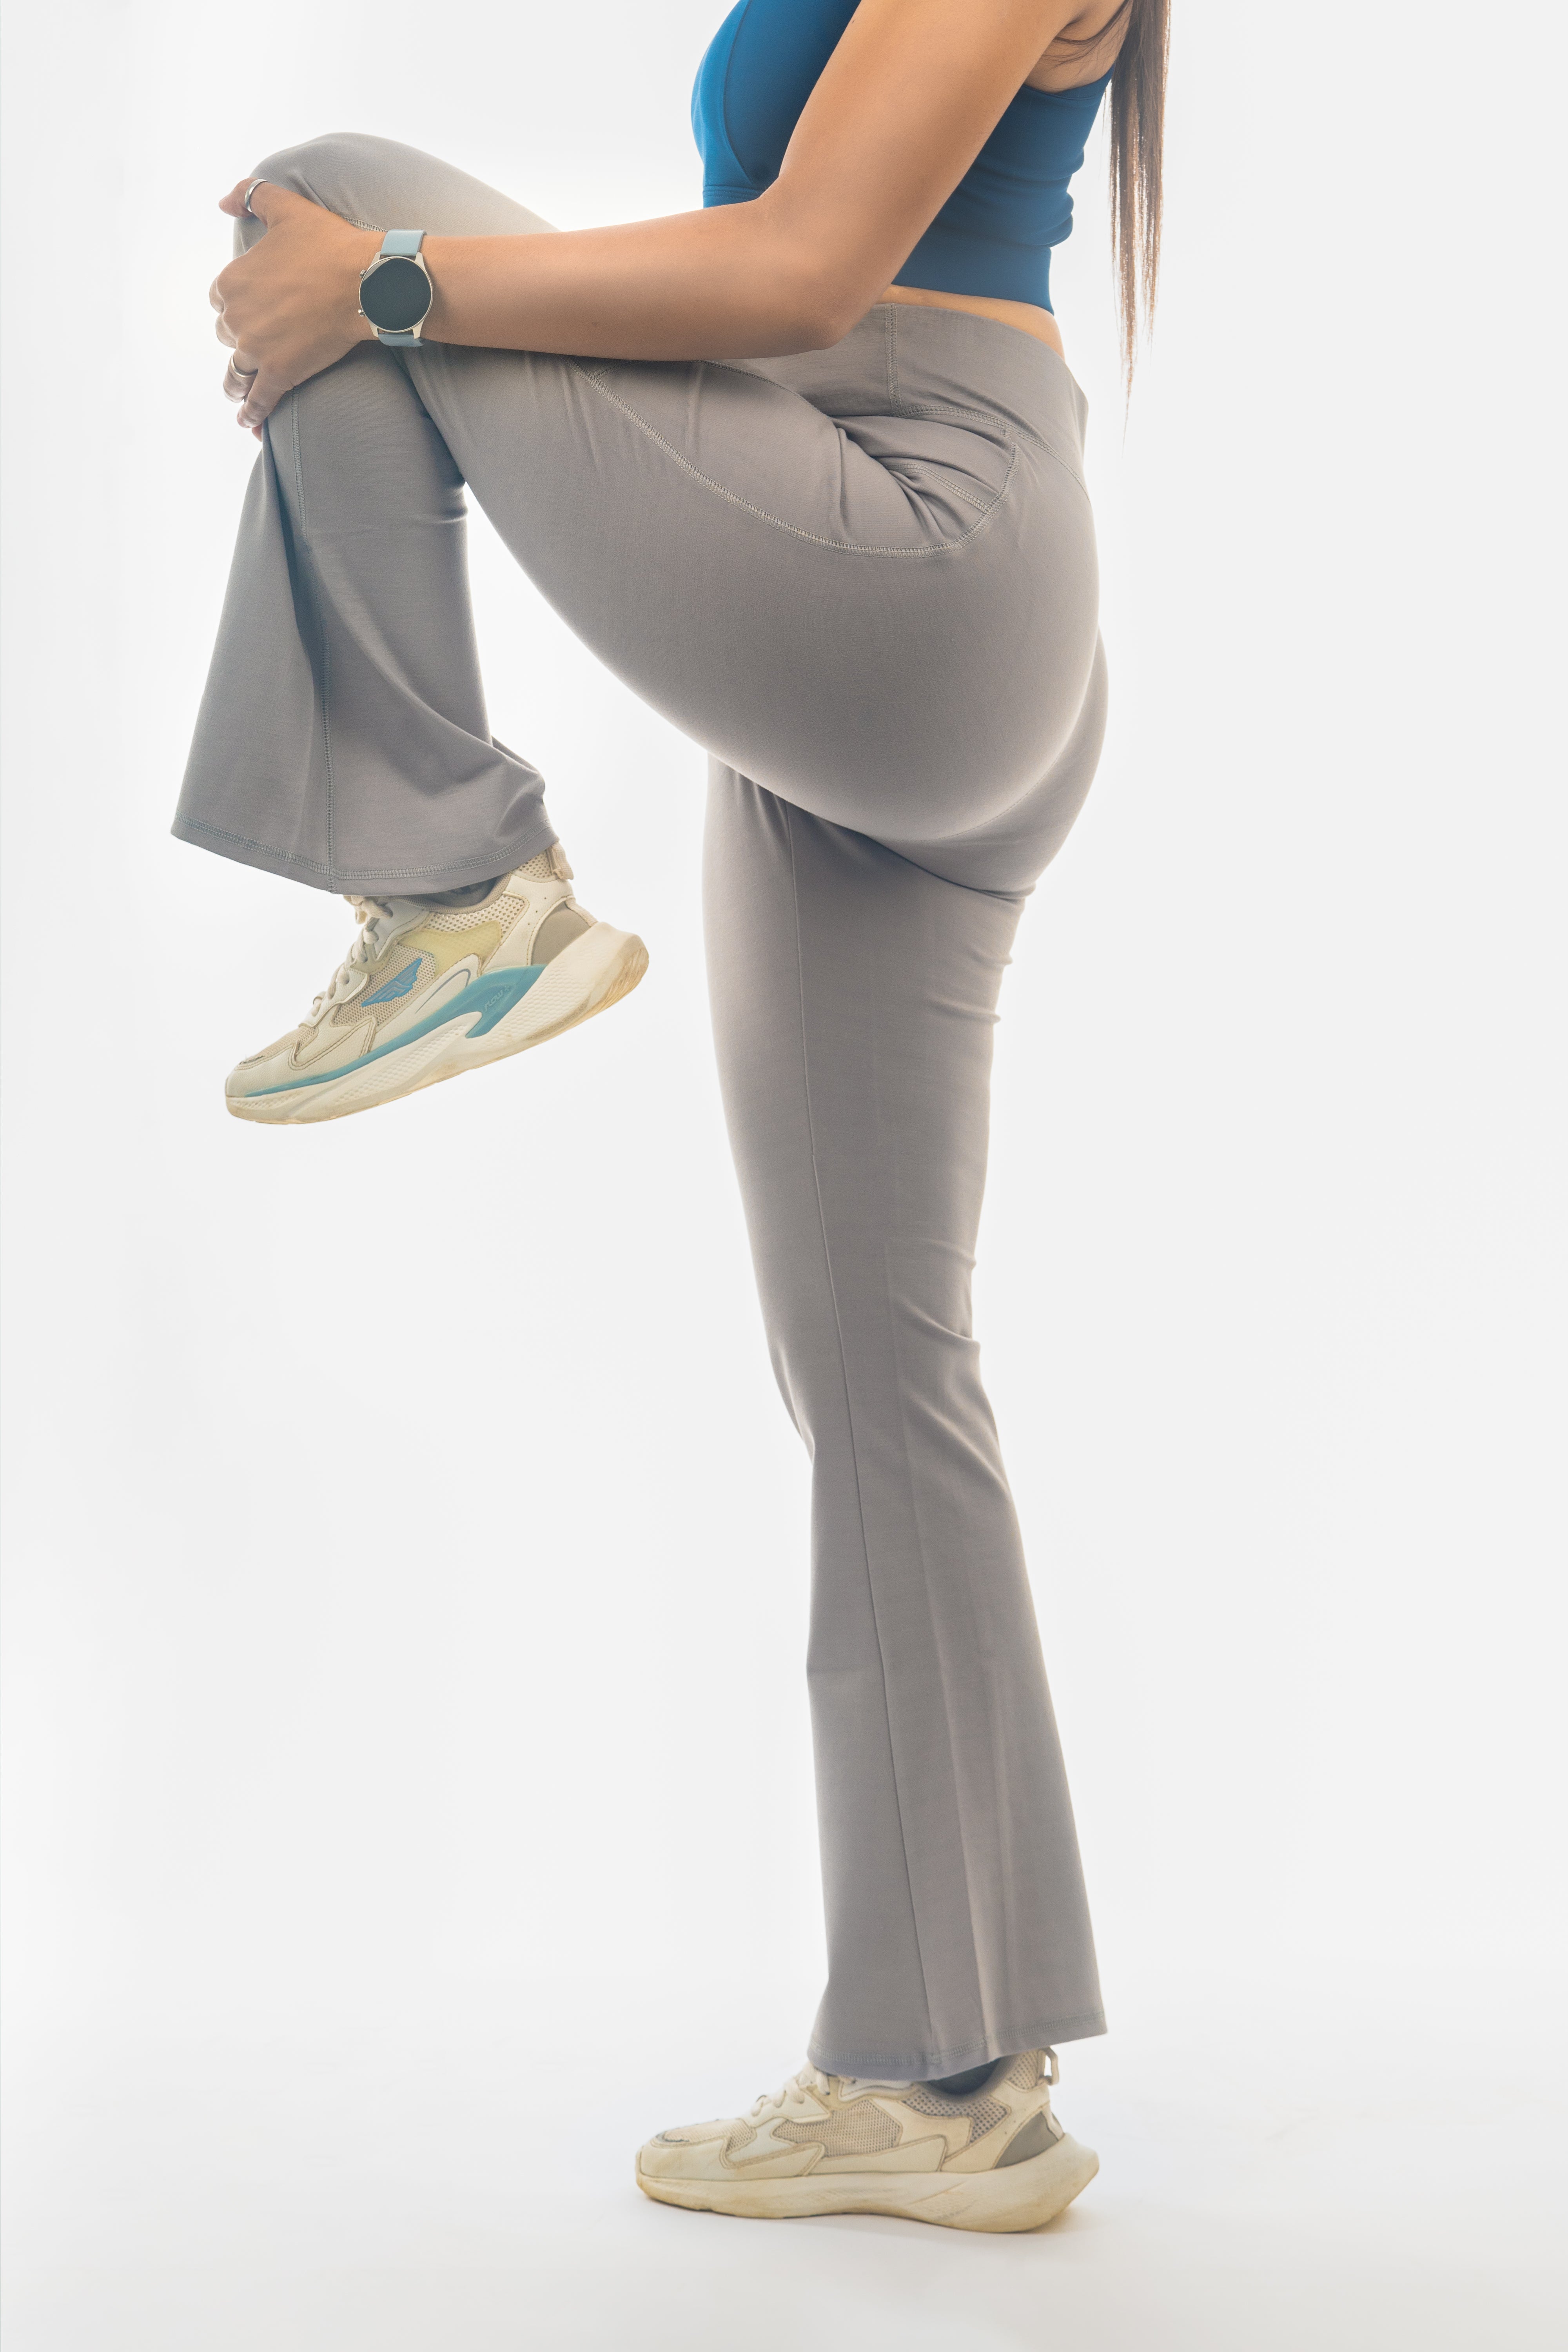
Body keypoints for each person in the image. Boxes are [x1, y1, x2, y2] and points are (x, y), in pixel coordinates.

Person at [189, 0, 1168, 2231]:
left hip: (912, 551)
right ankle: (944, 2081)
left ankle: (452, 885)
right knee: (875, 1369)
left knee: (348, 203)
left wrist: (391, 295)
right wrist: (392, 312)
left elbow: (808, 268)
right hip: (851, 564)